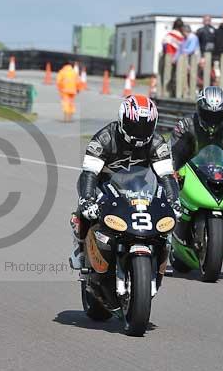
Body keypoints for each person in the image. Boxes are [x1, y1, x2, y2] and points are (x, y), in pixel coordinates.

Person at [69, 95, 180, 286]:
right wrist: (87, 199)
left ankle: (162, 254)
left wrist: (173, 201)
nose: (140, 132)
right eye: (135, 126)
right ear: (122, 119)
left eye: (145, 127)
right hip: (105, 185)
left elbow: (166, 176)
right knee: (86, 209)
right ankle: (81, 248)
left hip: (140, 187)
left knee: (169, 214)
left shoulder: (157, 143)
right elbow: (89, 173)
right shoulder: (104, 138)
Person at [170, 86, 223, 194]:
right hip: (185, 175)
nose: (213, 120)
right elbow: (171, 150)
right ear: (199, 110)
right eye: (208, 114)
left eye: (218, 115)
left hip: (218, 176)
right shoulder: (186, 125)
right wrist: (171, 171)